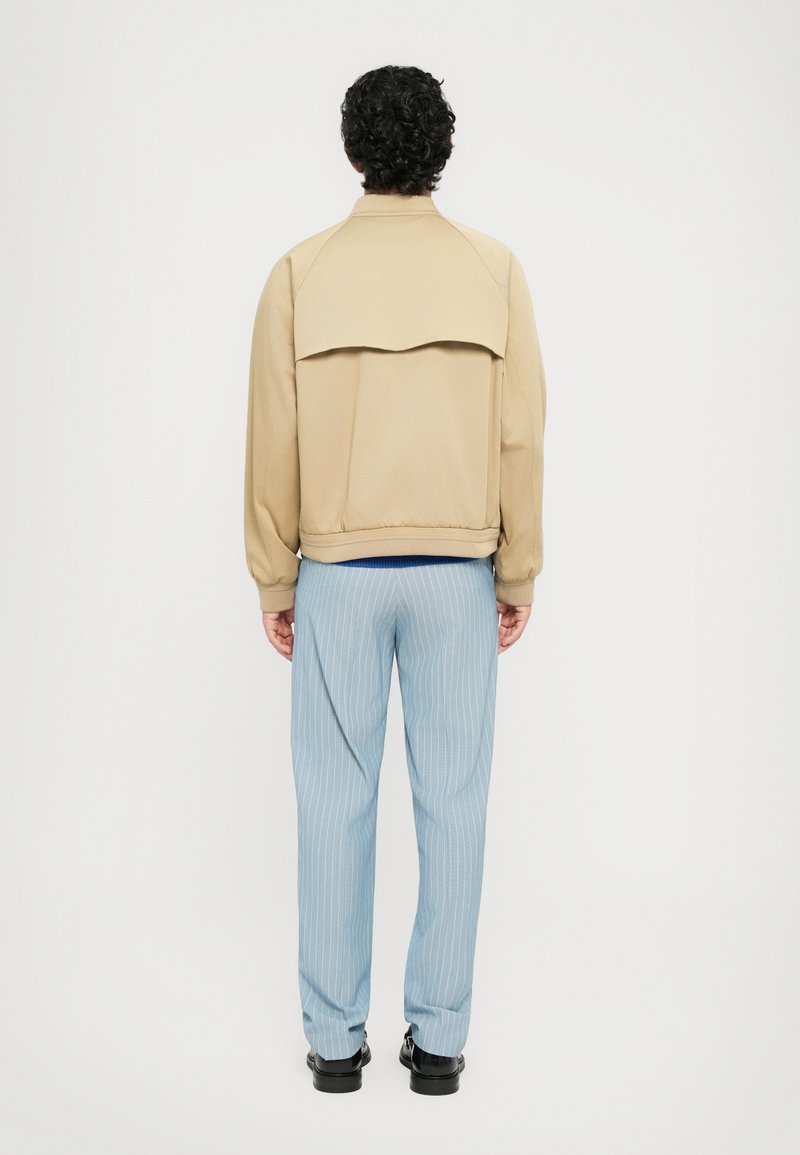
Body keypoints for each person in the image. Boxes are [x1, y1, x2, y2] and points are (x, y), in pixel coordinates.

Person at [243, 64, 546, 1095]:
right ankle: (441, 1041)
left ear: (351, 151)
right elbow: (520, 435)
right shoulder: (493, 271)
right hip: (458, 574)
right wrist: (518, 565)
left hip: (337, 573)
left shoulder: (301, 273)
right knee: (454, 802)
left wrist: (274, 577)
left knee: (334, 803)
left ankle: (334, 1046)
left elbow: (272, 437)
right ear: (441, 151)